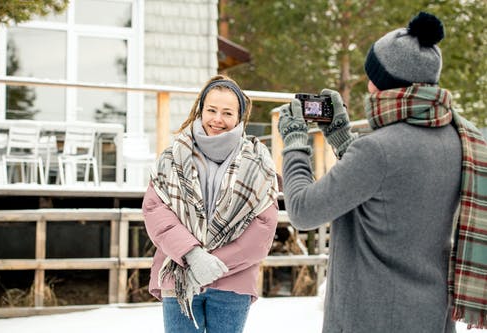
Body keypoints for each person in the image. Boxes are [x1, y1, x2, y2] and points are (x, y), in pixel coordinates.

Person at [276, 12, 487, 332]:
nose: (367, 83)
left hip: (371, 317)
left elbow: (303, 210)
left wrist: (294, 144)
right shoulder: (459, 139)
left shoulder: (376, 150)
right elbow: (389, 190)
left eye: (371, 75)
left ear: (385, 83)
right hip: (430, 315)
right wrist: (343, 140)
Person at [142, 74, 279, 333]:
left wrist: (213, 264)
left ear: (240, 118)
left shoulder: (258, 163)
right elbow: (155, 209)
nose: (218, 119)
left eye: (227, 113)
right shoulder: (173, 156)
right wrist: (192, 256)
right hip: (179, 275)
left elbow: (263, 227)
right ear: (200, 109)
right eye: (212, 110)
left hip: (233, 282)